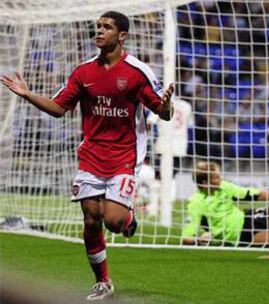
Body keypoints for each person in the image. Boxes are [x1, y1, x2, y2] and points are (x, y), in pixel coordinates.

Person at [1, 11, 174, 300]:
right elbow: (58, 108)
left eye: (107, 27)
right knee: (91, 220)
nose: (99, 31)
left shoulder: (137, 72)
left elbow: (162, 112)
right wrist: (27, 94)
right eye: (98, 26)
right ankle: (103, 281)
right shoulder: (83, 72)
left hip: (124, 157)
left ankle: (127, 221)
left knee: (113, 221)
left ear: (122, 36)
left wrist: (166, 107)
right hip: (91, 156)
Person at [182, 161, 269, 247]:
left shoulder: (224, 187)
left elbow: (252, 194)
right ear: (205, 183)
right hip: (240, 236)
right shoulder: (196, 203)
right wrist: (200, 240)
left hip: (247, 217)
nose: (221, 180)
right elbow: (186, 238)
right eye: (216, 178)